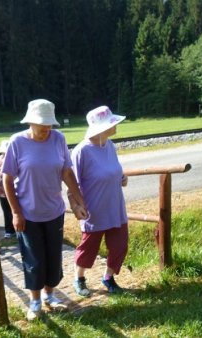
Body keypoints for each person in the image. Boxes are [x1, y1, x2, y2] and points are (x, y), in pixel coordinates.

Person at [2, 99, 87, 321]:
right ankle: (35, 300)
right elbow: (7, 179)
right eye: (42, 126)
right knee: (34, 259)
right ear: (30, 122)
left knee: (53, 257)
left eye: (49, 125)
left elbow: (67, 173)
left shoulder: (58, 139)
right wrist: (16, 212)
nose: (46, 130)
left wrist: (81, 200)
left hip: (54, 211)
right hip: (28, 213)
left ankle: (50, 295)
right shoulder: (17, 142)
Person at [69, 105, 128, 296]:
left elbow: (112, 170)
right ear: (101, 128)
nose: (116, 126)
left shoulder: (109, 145)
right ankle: (79, 278)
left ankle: (108, 277)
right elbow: (73, 183)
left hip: (115, 206)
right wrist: (77, 205)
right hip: (93, 209)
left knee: (120, 245)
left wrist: (121, 177)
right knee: (89, 248)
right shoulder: (81, 151)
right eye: (112, 123)